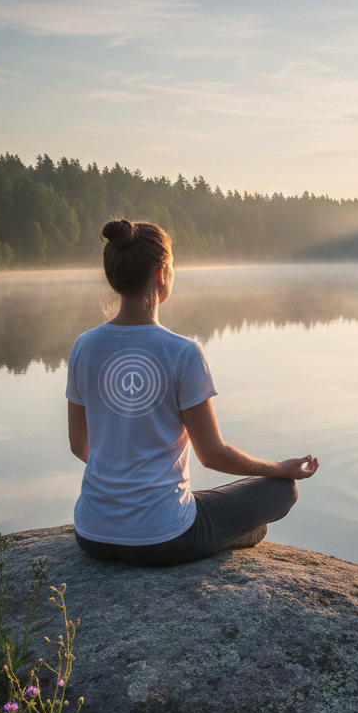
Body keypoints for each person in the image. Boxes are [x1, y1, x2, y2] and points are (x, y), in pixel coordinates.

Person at [66, 218, 318, 565]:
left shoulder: (84, 346)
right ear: (160, 274)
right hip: (164, 539)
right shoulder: (182, 352)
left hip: (92, 535)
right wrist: (278, 468)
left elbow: (80, 446)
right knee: (282, 490)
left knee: (200, 500)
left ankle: (222, 529)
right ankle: (234, 535)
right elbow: (212, 454)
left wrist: (125, 481)